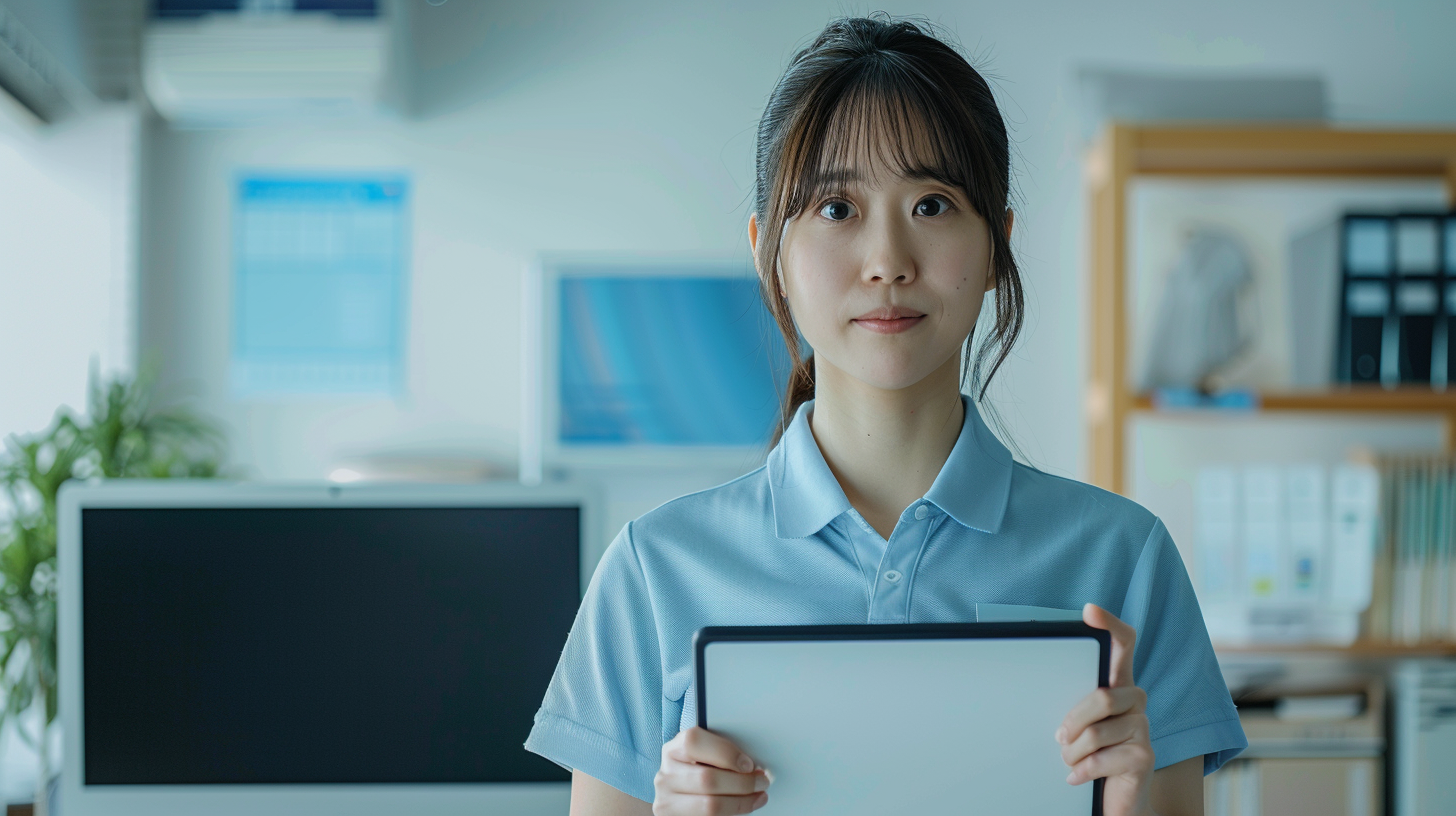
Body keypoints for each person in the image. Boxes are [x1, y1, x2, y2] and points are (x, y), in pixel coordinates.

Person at [524, 13, 1246, 816]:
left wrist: (1130, 804)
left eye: (933, 204)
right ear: (770, 251)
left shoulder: (1126, 558)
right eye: (837, 209)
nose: (888, 262)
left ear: (997, 246)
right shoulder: (653, 570)